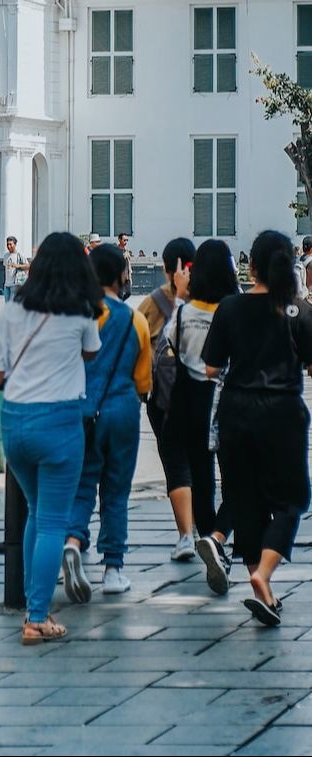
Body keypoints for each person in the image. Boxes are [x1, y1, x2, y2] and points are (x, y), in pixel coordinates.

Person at [0, 232, 101, 643]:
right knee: (55, 520)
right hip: (59, 422)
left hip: (15, 422)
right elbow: (91, 354)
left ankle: (31, 602)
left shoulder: (12, 311)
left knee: (36, 513)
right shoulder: (80, 313)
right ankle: (37, 616)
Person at [203, 230, 312, 627]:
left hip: (235, 414)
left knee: (245, 498)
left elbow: (211, 367)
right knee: (292, 500)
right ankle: (262, 574)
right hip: (282, 414)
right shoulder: (297, 310)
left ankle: (261, 590)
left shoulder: (229, 308)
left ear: (252, 267)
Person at [63, 244, 152, 600]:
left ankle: (72, 540)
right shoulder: (136, 320)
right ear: (120, 275)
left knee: (82, 485)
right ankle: (113, 568)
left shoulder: (74, 316)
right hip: (122, 411)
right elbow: (144, 381)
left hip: (81, 410)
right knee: (115, 492)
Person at [161, 240, 237, 584]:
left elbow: (169, 343)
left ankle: (208, 537)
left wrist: (179, 297)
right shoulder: (233, 309)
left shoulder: (184, 312)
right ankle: (219, 534)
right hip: (228, 398)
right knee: (236, 477)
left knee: (202, 481)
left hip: (190, 401)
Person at [138, 237, 198, 552]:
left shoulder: (151, 303)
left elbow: (135, 344)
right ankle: (208, 530)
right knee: (202, 459)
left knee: (175, 462)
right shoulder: (213, 298)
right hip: (203, 392)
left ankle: (186, 535)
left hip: (162, 397)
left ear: (164, 267)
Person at [3, 236, 29, 303]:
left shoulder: (19, 254)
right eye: (7, 244)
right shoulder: (6, 255)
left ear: (15, 244)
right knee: (7, 305)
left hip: (15, 284)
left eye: (10, 244)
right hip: (6, 284)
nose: (9, 246)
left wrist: (18, 266)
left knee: (12, 304)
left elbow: (28, 266)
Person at [117, 233, 134, 299]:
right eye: (124, 240)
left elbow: (128, 264)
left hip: (127, 276)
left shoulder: (127, 251)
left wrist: (130, 275)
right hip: (119, 277)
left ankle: (119, 305)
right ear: (119, 240)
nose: (126, 242)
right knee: (120, 295)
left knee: (129, 293)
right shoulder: (116, 250)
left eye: (127, 240)